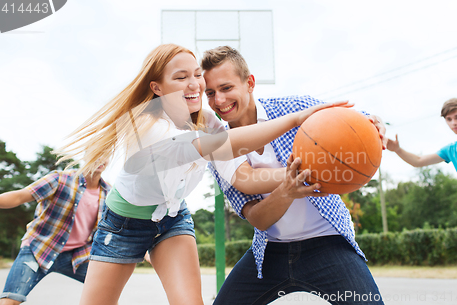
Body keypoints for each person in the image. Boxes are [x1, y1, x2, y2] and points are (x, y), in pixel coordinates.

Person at [54, 43, 350, 305]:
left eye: (196, 74)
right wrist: (296, 120)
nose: (194, 83)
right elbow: (231, 144)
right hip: (123, 225)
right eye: (180, 78)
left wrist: (302, 176)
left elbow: (242, 177)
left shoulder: (205, 119)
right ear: (157, 88)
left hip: (171, 220)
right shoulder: (147, 126)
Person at [201, 45, 388, 304]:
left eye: (226, 88)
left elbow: (350, 125)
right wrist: (286, 192)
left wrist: (373, 123)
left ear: (250, 83)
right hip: (271, 251)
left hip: (327, 241)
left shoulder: (294, 107)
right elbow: (258, 218)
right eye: (210, 93)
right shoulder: (219, 147)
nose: (218, 100)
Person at [387, 97, 457, 305]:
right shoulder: (452, 149)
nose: (454, 123)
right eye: (449, 119)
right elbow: (419, 161)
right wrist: (397, 149)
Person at [0, 162, 110, 305]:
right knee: (9, 301)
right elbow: (20, 196)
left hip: (76, 256)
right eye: (97, 153)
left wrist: (142, 251)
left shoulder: (108, 192)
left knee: (108, 297)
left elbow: (121, 229)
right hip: (39, 249)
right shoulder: (60, 179)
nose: (101, 159)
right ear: (87, 153)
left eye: (105, 155)